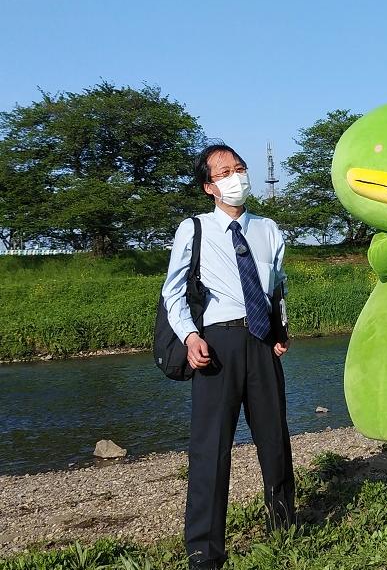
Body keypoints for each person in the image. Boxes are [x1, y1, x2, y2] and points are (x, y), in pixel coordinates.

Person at [162, 143, 295, 569]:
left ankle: (284, 529)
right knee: (210, 448)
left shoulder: (268, 228)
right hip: (216, 344)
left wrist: (280, 330)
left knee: (274, 440)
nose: (235, 177)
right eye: (223, 172)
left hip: (260, 342)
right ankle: (204, 549)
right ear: (209, 186)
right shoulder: (194, 229)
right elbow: (173, 291)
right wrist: (189, 337)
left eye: (239, 167)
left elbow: (277, 287)